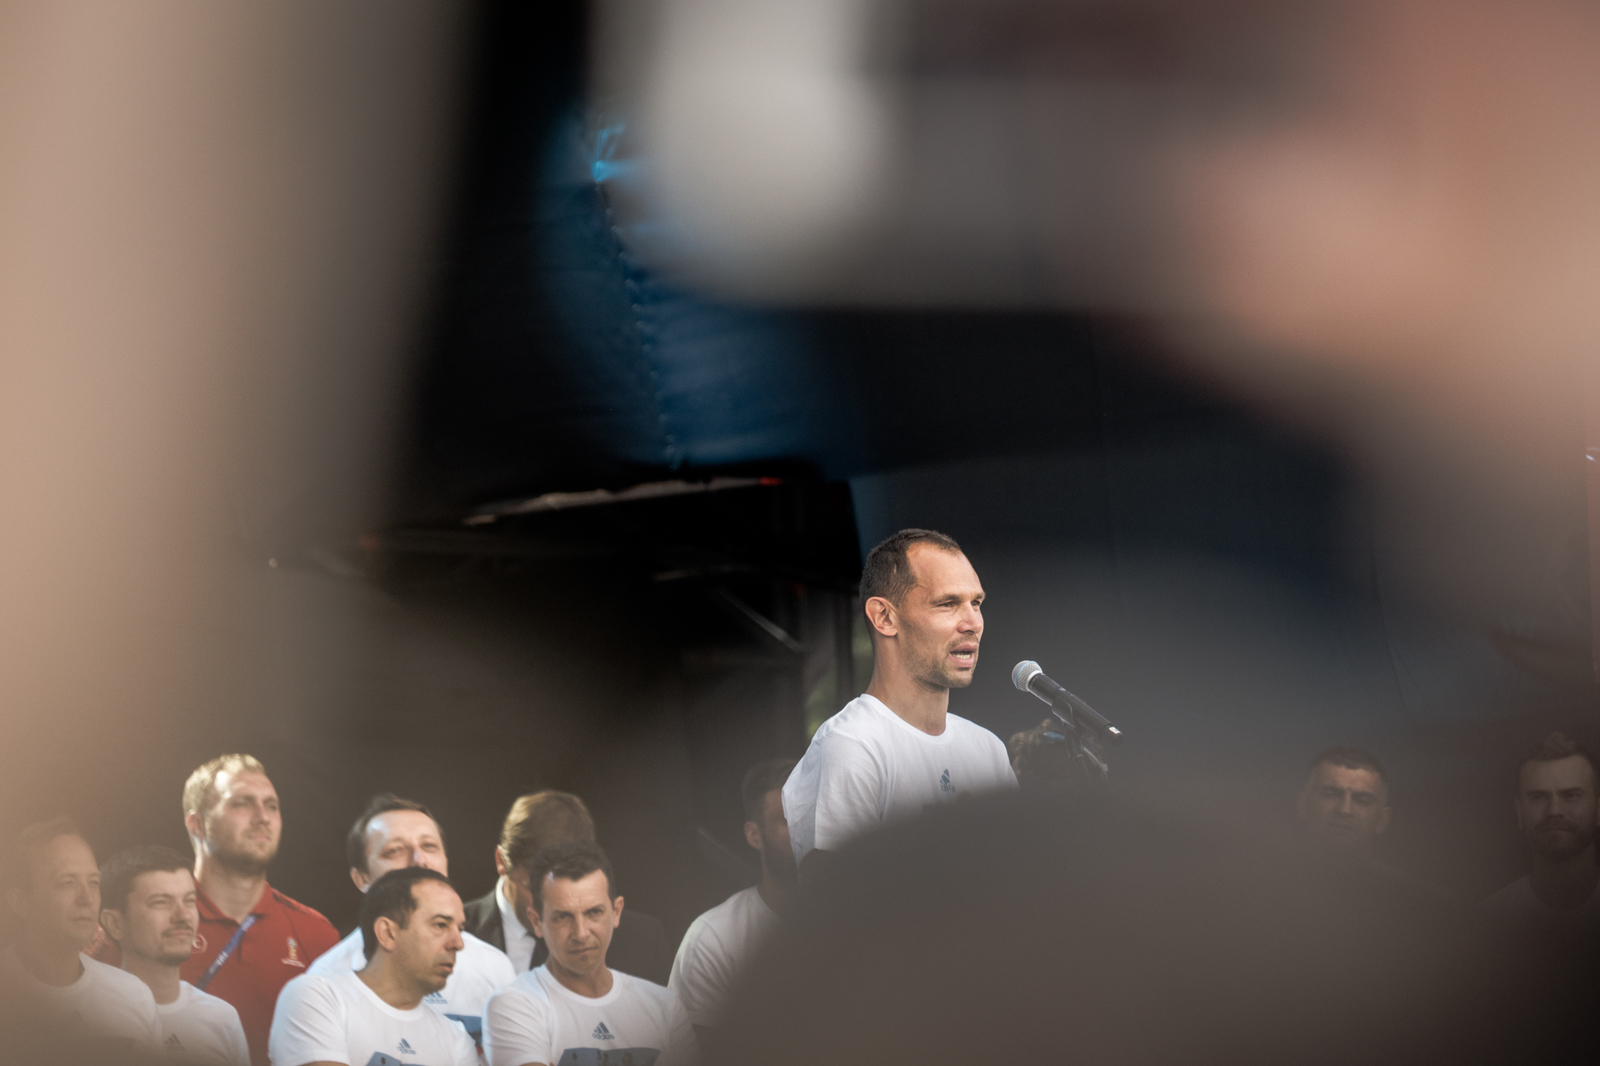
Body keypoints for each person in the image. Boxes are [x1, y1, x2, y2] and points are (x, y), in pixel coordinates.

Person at [783, 529, 1016, 878]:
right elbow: (836, 910)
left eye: (976, 603)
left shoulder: (988, 749)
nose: (972, 623)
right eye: (947, 603)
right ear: (884, 617)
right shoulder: (851, 745)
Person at [90, 754, 341, 1065]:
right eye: (242, 803)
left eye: (272, 806)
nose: (263, 816)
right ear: (197, 824)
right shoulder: (127, 928)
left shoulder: (316, 935)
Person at [306, 793, 514, 1049]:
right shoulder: (327, 980)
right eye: (395, 850)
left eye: (429, 846)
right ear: (361, 879)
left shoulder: (494, 967)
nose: (419, 860)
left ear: (446, 862)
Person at [483, 841, 695, 1066]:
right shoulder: (512, 1005)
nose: (581, 933)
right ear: (537, 922)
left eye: (594, 912)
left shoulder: (666, 1007)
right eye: (563, 917)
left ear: (616, 912)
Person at [269, 867, 477, 1066]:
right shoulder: (317, 997)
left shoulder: (455, 1037)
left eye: (459, 928)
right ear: (387, 933)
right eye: (440, 925)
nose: (458, 943)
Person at [462, 791, 671, 983]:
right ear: (502, 862)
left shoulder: (643, 942)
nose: (552, 908)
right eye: (535, 890)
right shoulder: (453, 934)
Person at [1, 818, 160, 1057]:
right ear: (20, 902)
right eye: (67, 882)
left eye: (94, 882)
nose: (87, 898)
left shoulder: (134, 996)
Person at [669, 758, 796, 1042]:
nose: (806, 829)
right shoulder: (714, 939)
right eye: (788, 820)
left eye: (813, 813)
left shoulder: (864, 924)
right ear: (754, 835)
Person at [99, 844, 251, 1066]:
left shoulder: (222, 1019)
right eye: (161, 902)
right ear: (115, 924)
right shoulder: (82, 1015)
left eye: (189, 901)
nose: (183, 916)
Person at [1486, 732, 1600, 932]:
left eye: (1571, 795)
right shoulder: (1489, 921)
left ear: (1598, 809)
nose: (1554, 810)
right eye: (1538, 797)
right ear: (1519, 812)